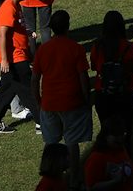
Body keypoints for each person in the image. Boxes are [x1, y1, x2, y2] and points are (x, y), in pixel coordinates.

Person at [34, 9, 94, 175]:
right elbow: (83, 77)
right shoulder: (76, 49)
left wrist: (39, 100)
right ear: (68, 26)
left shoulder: (43, 49)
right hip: (72, 102)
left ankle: (49, 175)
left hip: (49, 102)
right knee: (72, 142)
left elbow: (34, 79)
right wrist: (86, 97)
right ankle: (74, 178)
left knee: (51, 143)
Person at [90, 9, 133, 149]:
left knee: (106, 131)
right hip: (126, 94)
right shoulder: (131, 47)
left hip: (103, 94)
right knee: (126, 132)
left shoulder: (98, 46)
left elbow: (94, 66)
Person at [0, 0, 34, 134]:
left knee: (5, 91)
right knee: (29, 90)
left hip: (16, 55)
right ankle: (42, 121)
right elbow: (2, 35)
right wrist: (5, 60)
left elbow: (15, 27)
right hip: (14, 57)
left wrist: (26, 32)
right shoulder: (8, 7)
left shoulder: (15, 5)